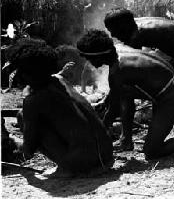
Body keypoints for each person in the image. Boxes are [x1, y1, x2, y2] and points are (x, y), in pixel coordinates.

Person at [77, 30, 174, 158]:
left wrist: (97, 134)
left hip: (172, 96)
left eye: (89, 58)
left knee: (151, 151)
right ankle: (126, 140)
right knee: (124, 94)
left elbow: (112, 111)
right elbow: (116, 94)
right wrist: (106, 101)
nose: (89, 63)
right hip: (172, 83)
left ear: (100, 55)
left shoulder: (117, 73)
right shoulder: (120, 49)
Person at [103, 9, 174, 131]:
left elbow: (129, 70)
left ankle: (156, 127)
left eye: (113, 31)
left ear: (122, 27)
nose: (113, 35)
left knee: (166, 86)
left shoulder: (135, 35)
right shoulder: (134, 24)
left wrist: (110, 98)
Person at [12, 43, 113, 175]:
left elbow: (28, 150)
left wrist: (17, 145)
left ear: (26, 74)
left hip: (86, 163)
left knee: (22, 116)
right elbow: (52, 78)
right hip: (107, 155)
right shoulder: (61, 80)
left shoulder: (32, 101)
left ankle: (67, 168)